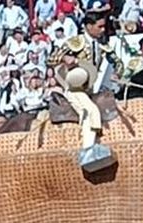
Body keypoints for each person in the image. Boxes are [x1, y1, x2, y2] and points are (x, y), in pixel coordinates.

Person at [51, 11, 121, 170]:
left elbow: (118, 62)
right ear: (88, 26)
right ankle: (87, 152)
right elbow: (51, 59)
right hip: (74, 88)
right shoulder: (76, 42)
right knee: (90, 111)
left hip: (90, 89)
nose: (103, 30)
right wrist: (65, 58)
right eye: (100, 26)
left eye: (104, 26)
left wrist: (117, 73)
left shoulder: (102, 45)